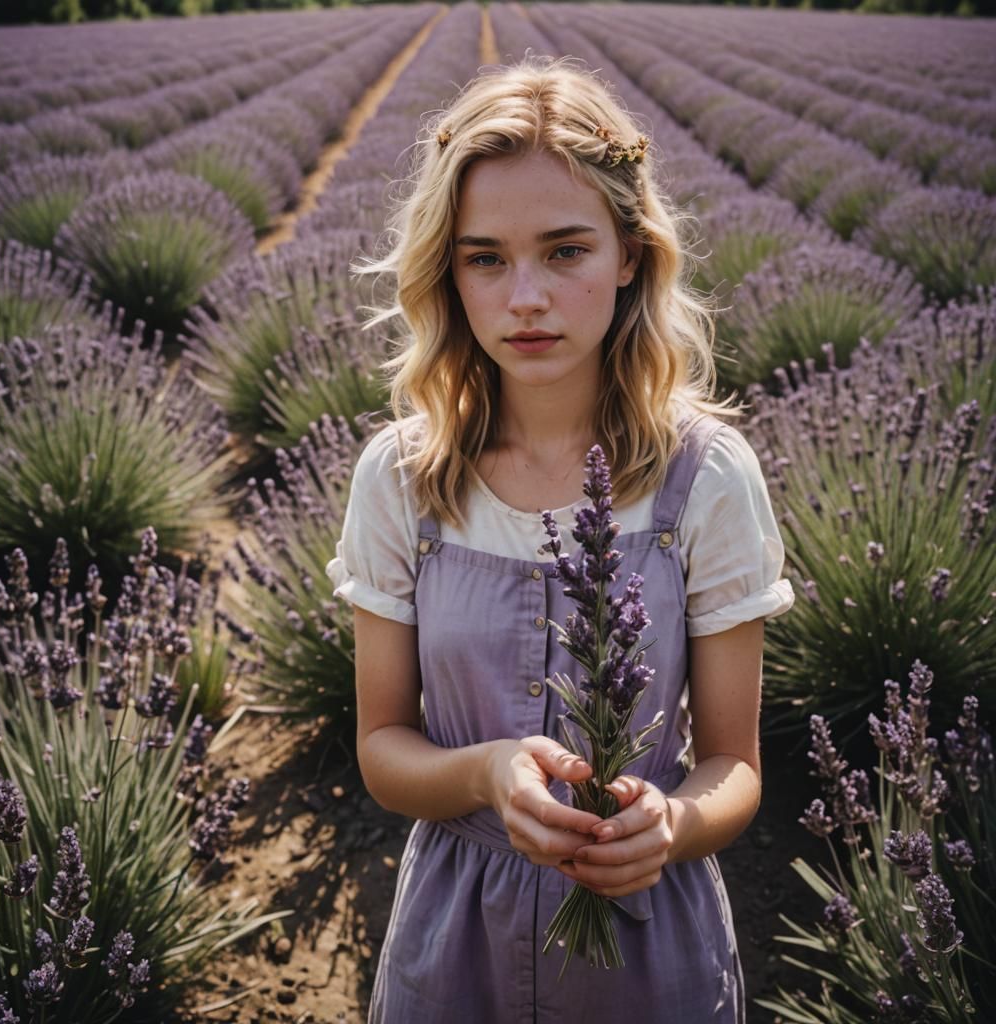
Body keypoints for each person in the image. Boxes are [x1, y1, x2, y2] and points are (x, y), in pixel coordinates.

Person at [326, 56, 794, 1023]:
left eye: (565, 251)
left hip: (644, 944)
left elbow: (737, 768)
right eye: (485, 257)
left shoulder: (704, 477)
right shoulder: (402, 479)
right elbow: (380, 747)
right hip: (456, 941)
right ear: (447, 272)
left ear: (629, 252)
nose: (524, 296)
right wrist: (484, 774)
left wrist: (670, 824)